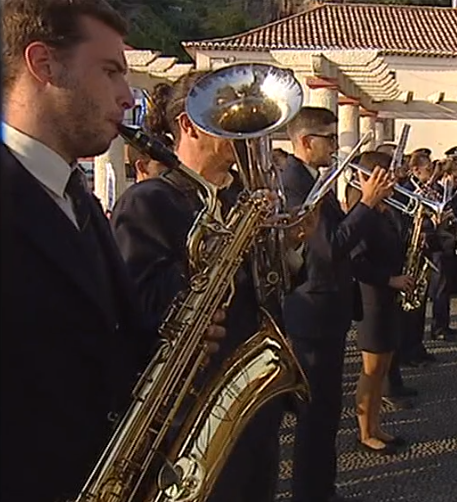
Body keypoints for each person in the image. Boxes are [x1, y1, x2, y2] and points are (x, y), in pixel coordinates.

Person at [0, 2, 224, 501]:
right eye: (110, 72)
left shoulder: (74, 189)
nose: (128, 98)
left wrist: (162, 344)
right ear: (43, 64)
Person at [112, 70, 305, 502]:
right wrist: (213, 255)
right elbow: (143, 305)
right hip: (190, 407)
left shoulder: (242, 196)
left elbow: (273, 289)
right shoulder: (149, 202)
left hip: (253, 399)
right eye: (230, 121)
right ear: (187, 124)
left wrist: (290, 247)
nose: (247, 136)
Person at [281, 106, 392, 502]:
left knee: (325, 413)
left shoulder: (312, 179)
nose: (336, 145)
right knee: (316, 414)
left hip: (325, 309)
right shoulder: (293, 183)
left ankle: (320, 489)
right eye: (329, 138)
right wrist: (366, 204)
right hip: (312, 312)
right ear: (307, 142)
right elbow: (330, 248)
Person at [348, 151, 414, 455]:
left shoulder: (387, 210)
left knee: (384, 364)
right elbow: (356, 261)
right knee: (371, 369)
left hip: (388, 295)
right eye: (387, 173)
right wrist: (390, 280)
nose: (393, 179)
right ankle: (364, 432)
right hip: (372, 296)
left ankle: (376, 425)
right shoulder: (363, 210)